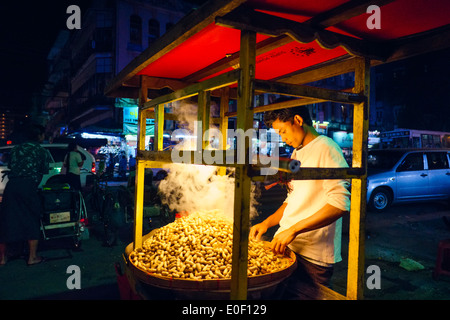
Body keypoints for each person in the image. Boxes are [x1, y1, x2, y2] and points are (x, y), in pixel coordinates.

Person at [249, 105, 351, 299]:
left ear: (297, 120)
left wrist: (294, 230)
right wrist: (267, 223)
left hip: (312, 257)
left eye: (283, 131)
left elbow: (340, 204)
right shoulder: (297, 153)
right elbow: (293, 198)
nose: (283, 138)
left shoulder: (327, 147)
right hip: (286, 247)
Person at [0, 124, 52, 266]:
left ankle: (3, 258)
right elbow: (43, 172)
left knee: (6, 221)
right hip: (28, 186)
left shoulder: (16, 149)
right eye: (43, 134)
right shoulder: (41, 151)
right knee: (31, 219)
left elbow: (11, 166)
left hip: (12, 186)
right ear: (39, 136)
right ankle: (32, 257)